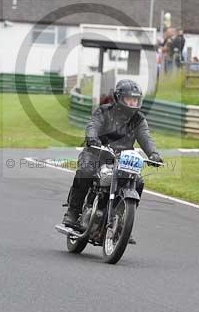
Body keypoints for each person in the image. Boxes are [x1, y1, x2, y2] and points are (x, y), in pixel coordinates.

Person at [61, 79, 161, 230]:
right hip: (96, 152)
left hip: (122, 158)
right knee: (86, 171)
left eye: (135, 100)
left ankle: (122, 221)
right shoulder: (104, 111)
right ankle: (73, 211)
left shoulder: (139, 120)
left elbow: (145, 137)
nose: (133, 103)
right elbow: (93, 125)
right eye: (129, 99)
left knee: (138, 181)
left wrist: (153, 154)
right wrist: (92, 138)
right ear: (118, 98)